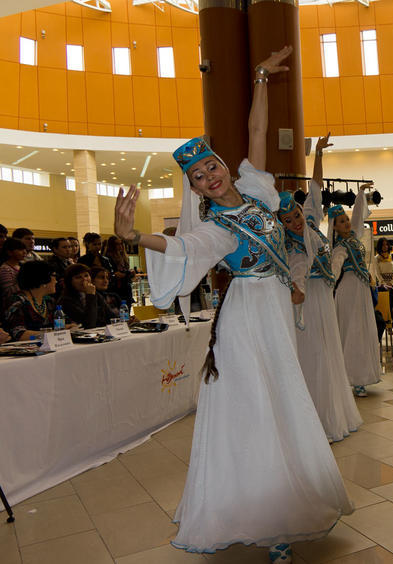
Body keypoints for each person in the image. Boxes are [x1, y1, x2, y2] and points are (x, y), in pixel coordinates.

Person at [112, 46, 351, 561]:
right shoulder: (216, 229)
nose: (209, 176)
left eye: (211, 165)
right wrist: (135, 238)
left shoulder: (259, 191)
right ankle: (267, 520)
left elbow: (258, 133)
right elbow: (181, 248)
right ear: (195, 189)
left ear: (223, 165)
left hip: (275, 314)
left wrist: (261, 77)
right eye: (198, 176)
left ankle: (284, 501)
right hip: (245, 317)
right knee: (255, 405)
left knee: (284, 397)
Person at [278, 132, 363, 442]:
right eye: (288, 220)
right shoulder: (292, 250)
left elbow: (315, 187)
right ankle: (317, 421)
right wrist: (295, 293)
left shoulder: (312, 221)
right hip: (309, 303)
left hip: (324, 299)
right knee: (314, 356)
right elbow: (297, 276)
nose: (296, 222)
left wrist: (318, 154)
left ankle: (334, 415)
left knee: (329, 354)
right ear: (283, 224)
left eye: (296, 215)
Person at [330, 185, 382, 398]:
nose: (346, 223)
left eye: (346, 219)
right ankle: (353, 379)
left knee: (362, 331)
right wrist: (328, 281)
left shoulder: (353, 236)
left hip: (360, 291)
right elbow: (335, 267)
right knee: (352, 333)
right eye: (341, 221)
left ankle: (363, 376)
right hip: (349, 290)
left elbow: (359, 217)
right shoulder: (340, 247)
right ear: (333, 227)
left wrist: (360, 194)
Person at [3, 261, 58, 341]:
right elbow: (18, 334)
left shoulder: (49, 301)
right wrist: (52, 335)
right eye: (54, 276)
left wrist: (69, 328)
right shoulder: (17, 301)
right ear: (43, 278)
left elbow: (56, 325)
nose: (56, 281)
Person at [59, 263, 112, 328]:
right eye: (78, 277)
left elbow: (111, 316)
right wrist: (90, 296)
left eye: (86, 276)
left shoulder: (96, 294)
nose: (84, 280)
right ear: (70, 282)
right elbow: (89, 324)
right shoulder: (66, 300)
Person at [104, 235, 136, 304]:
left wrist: (128, 274)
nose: (120, 246)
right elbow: (116, 274)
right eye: (117, 244)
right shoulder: (108, 258)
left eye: (121, 243)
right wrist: (127, 273)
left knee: (127, 309)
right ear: (112, 245)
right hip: (115, 289)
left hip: (126, 288)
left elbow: (125, 273)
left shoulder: (124, 257)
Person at [0, 238, 27, 310]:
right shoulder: (5, 269)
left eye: (24, 249)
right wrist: (27, 282)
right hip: (13, 307)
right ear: (9, 252)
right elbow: (8, 292)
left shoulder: (22, 266)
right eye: (20, 250)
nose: (24, 252)